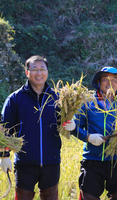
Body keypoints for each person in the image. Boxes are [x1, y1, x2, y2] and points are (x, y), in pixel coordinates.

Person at [63, 66, 117, 200]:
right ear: (99, 82)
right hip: (93, 159)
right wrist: (88, 137)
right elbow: (75, 127)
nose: (110, 82)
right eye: (105, 79)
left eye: (114, 80)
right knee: (88, 196)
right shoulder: (87, 103)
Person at [1, 55, 61, 199]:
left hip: (51, 162)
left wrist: (71, 124)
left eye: (42, 69)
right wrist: (3, 155)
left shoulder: (57, 97)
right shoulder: (15, 98)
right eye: (34, 69)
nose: (39, 73)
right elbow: (4, 129)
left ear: (47, 72)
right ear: (27, 72)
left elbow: (67, 124)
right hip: (24, 163)